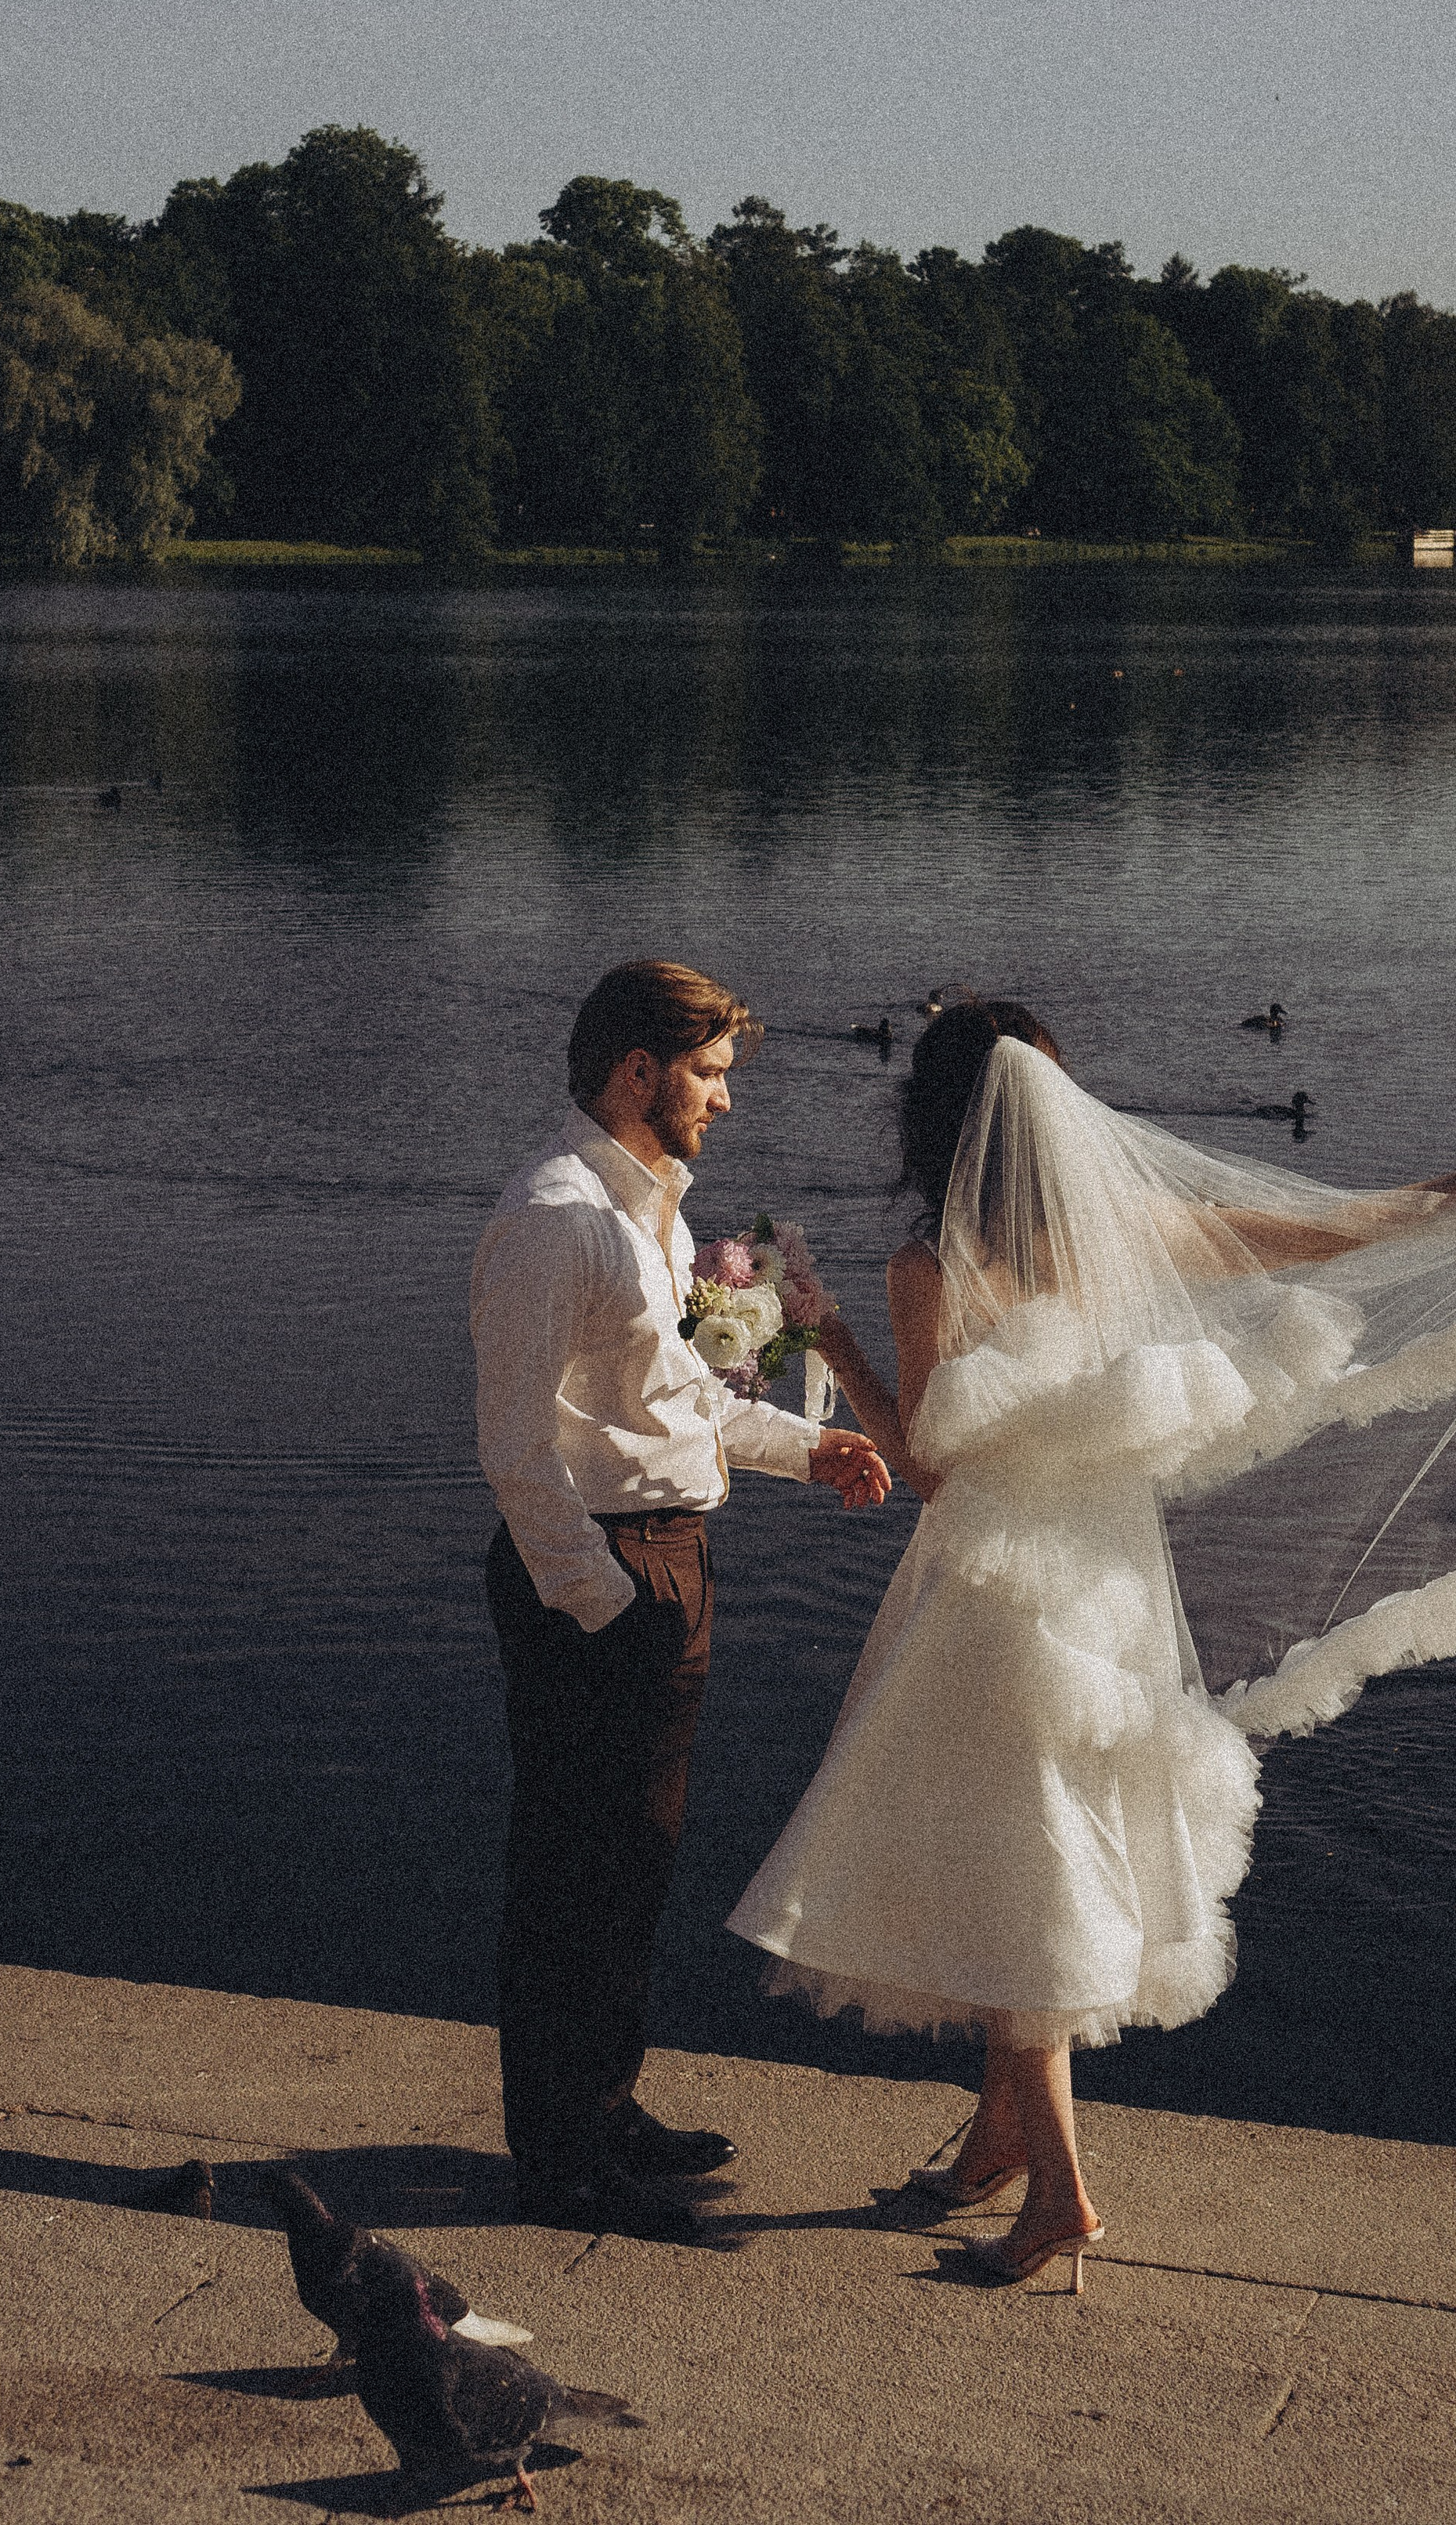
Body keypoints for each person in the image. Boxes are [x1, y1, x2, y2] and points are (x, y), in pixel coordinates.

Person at [728, 997, 1456, 2290]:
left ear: (935, 1126)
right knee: (1040, 1840)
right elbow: (1334, 1229)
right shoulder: (1120, 1231)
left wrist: (837, 1342)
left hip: (995, 1600)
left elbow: (931, 1469)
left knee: (1025, 1866)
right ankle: (996, 2143)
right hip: (1113, 1599)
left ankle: (1060, 2197)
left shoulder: (932, 1270)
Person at [472, 959, 891, 2245]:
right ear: (637, 1071)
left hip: (663, 1557)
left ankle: (603, 2112)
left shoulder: (645, 1211)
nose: (724, 1097)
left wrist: (805, 1449)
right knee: (572, 1875)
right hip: (600, 1574)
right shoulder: (558, 1219)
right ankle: (560, 2165)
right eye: (707, 1074)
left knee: (632, 1866)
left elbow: (678, 1403)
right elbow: (514, 1449)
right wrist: (602, 1605)